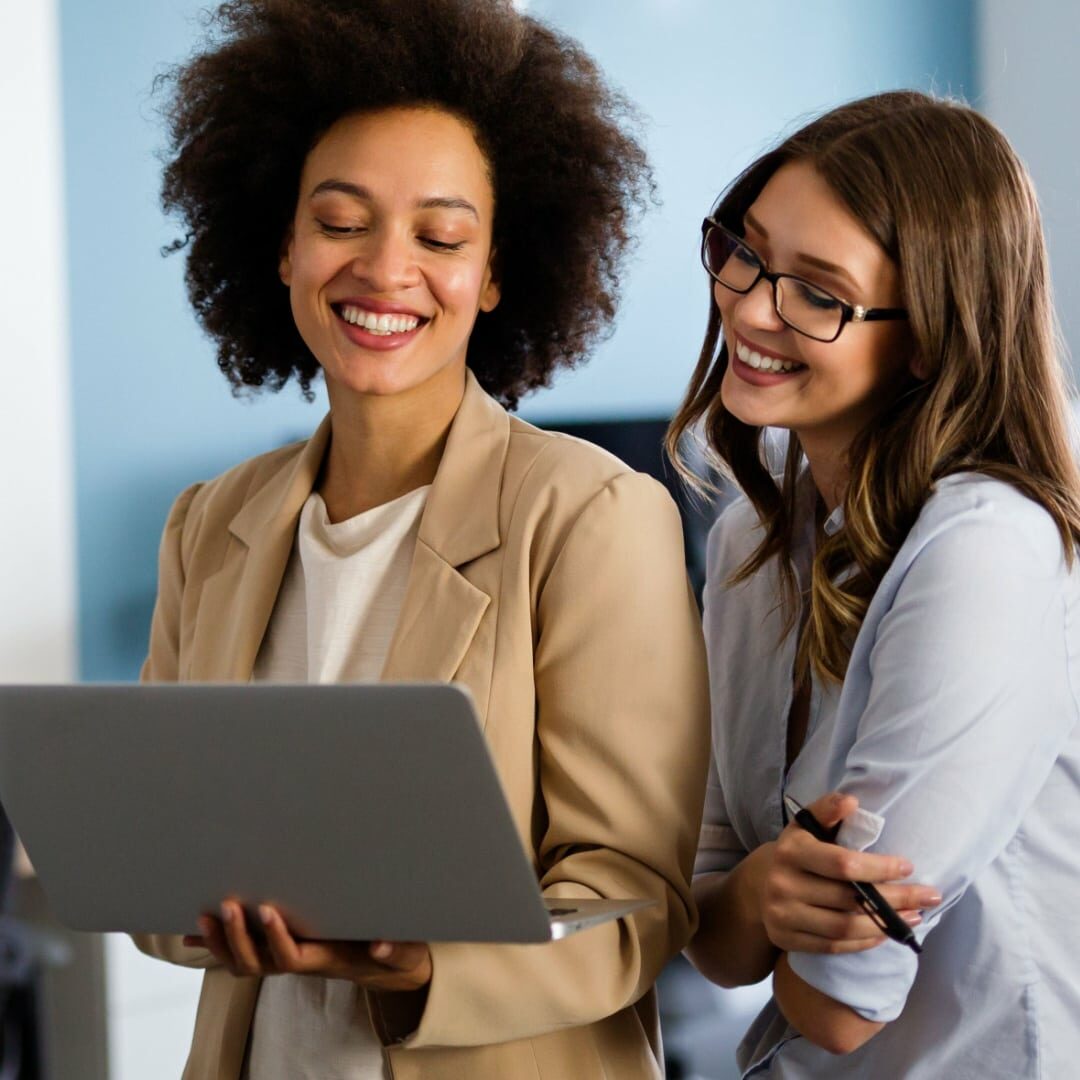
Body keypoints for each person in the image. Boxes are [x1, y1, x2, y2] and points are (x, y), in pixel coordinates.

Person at [133, 2, 710, 1078]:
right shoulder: (209, 524)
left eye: (441, 236)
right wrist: (205, 912)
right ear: (284, 246)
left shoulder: (590, 516)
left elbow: (637, 903)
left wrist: (418, 963)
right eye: (341, 221)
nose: (386, 269)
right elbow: (165, 874)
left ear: (495, 272)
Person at [672, 90, 1080, 1078]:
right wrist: (768, 888)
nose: (752, 306)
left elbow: (836, 1001)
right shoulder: (749, 544)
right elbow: (712, 937)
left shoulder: (984, 553)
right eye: (746, 249)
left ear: (930, 339)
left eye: (818, 292)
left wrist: (763, 908)